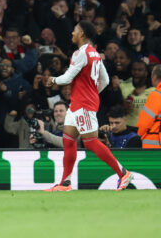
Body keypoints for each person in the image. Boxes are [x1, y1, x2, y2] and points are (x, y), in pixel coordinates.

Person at [44, 21, 134, 191]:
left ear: (82, 33)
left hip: (83, 104)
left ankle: (124, 173)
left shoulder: (81, 53)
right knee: (68, 140)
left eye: (75, 30)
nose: (72, 32)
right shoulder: (95, 54)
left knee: (91, 142)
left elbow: (67, 78)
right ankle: (65, 183)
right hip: (78, 104)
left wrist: (52, 80)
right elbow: (105, 81)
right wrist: (92, 93)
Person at [137, 64, 161, 149]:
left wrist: (139, 136)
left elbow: (145, 123)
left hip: (154, 147)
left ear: (154, 77)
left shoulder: (156, 95)